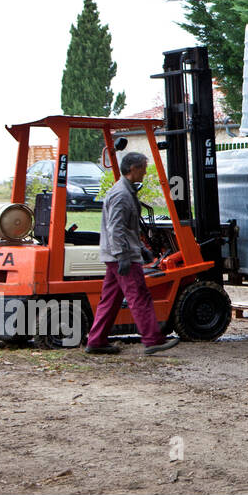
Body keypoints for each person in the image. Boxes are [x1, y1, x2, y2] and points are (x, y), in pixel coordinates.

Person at [84, 152, 179, 355]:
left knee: (110, 299)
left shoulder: (125, 191)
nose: (144, 172)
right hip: (122, 255)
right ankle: (152, 340)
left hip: (118, 254)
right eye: (143, 168)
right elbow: (115, 228)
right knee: (139, 296)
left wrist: (142, 249)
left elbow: (126, 228)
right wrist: (123, 256)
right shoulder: (121, 195)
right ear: (133, 169)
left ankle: (96, 340)